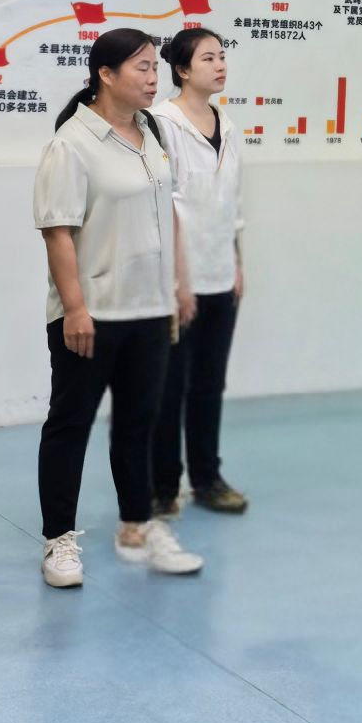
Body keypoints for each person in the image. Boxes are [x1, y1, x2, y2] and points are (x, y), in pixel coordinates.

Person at [34, 29, 202, 588]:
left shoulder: (152, 131)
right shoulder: (72, 144)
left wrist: (178, 286)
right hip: (93, 314)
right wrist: (75, 309)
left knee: (138, 425)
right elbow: (58, 232)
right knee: (70, 426)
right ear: (105, 75)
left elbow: (167, 210)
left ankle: (137, 527)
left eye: (156, 68)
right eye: (142, 69)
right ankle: (59, 541)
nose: (154, 79)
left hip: (148, 310)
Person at [152, 27, 248, 517]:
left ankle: (208, 478)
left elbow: (232, 204)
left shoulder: (228, 125)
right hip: (175, 282)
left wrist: (237, 261)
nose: (220, 65)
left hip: (219, 275)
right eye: (208, 58)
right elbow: (160, 205)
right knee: (169, 387)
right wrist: (177, 279)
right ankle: (163, 486)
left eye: (222, 56)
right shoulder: (160, 123)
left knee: (210, 384)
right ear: (182, 70)